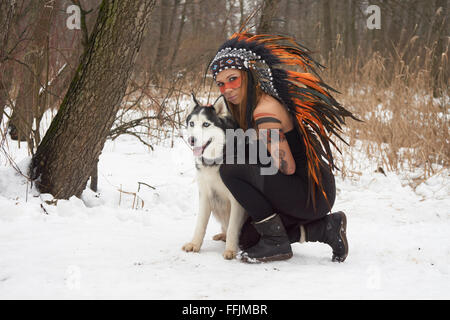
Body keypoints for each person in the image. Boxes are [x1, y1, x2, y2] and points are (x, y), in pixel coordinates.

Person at [208, 31, 359, 263]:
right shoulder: (250, 106)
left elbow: (286, 167)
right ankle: (326, 228)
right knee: (246, 238)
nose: (227, 88)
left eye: (233, 79)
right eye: (220, 84)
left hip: (310, 191)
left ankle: (275, 242)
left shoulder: (264, 111)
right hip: (300, 189)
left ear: (247, 76)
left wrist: (247, 153)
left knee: (231, 168)